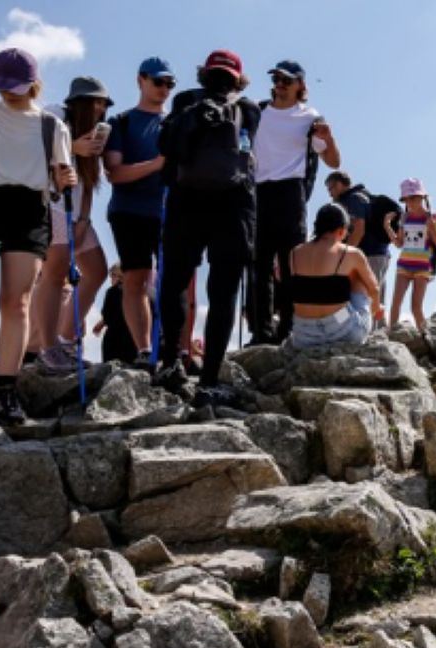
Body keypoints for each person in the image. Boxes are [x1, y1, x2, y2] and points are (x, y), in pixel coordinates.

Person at [154, 50, 260, 406]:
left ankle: (171, 363)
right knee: (224, 290)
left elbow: (167, 149)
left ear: (205, 74)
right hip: (233, 203)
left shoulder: (184, 100)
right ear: (237, 77)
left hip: (186, 199)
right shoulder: (249, 108)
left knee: (175, 281)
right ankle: (210, 380)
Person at [0, 48, 76, 423]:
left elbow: (61, 176)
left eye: (15, 86)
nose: (8, 92)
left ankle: (6, 390)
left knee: (16, 302)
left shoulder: (51, 126)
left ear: (33, 84)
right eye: (2, 85)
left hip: (29, 210)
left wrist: (64, 178)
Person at [249, 60, 341, 345]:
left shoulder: (309, 117)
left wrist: (329, 138)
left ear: (301, 85)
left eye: (287, 80)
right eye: (276, 78)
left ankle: (288, 328)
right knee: (258, 264)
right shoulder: (256, 111)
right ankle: (260, 331)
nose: (279, 84)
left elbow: (334, 161)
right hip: (258, 191)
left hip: (291, 193)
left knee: (291, 264)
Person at [29, 76, 112, 375]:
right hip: (51, 207)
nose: (100, 109)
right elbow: (32, 156)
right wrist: (72, 148)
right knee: (54, 273)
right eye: (96, 102)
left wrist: (85, 219)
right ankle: (47, 348)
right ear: (79, 102)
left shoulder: (95, 134)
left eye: (104, 104)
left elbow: (89, 183)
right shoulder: (54, 116)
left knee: (97, 270)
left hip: (76, 213)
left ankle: (64, 339)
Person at [103, 56, 175, 369]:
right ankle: (145, 351)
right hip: (130, 211)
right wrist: (158, 164)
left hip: (168, 211)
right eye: (158, 81)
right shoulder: (121, 121)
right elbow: (114, 173)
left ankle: (175, 351)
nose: (164, 88)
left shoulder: (175, 123)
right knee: (134, 279)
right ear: (140, 80)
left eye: (169, 83)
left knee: (174, 282)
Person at [284, 203, 383, 348]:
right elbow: (374, 289)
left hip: (303, 333)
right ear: (341, 230)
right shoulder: (350, 253)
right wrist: (376, 309)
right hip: (340, 325)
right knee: (357, 277)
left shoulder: (294, 252)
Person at [325, 171, 396, 325]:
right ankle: (380, 331)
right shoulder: (364, 196)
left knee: (361, 296)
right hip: (379, 254)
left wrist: (343, 256)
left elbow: (359, 229)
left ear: (339, 184)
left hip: (369, 255)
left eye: (331, 189)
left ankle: (341, 327)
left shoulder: (353, 199)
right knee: (374, 294)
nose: (331, 194)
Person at [389, 178, 436, 331]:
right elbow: (399, 243)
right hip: (403, 266)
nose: (410, 202)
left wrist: (432, 228)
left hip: (423, 268)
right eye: (406, 199)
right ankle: (391, 336)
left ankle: (426, 338)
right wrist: (387, 227)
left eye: (413, 198)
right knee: (396, 303)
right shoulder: (404, 218)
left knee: (416, 307)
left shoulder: (432, 217)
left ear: (422, 197)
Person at [94, 264, 139, 363]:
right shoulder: (142, 292)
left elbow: (108, 314)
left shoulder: (113, 292)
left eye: (112, 276)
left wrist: (104, 321)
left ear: (117, 275)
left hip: (115, 341)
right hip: (136, 341)